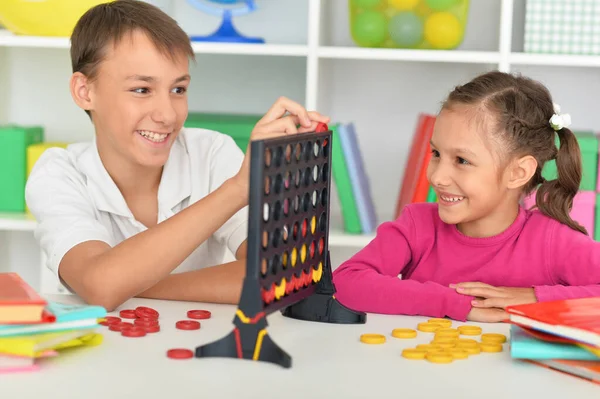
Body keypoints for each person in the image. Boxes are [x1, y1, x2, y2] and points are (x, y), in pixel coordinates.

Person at [25, 0, 328, 312]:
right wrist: (238, 189)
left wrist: (130, 284)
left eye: (178, 90)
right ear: (84, 92)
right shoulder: (59, 173)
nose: (167, 115)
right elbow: (101, 285)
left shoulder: (211, 152)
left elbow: (273, 272)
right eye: (141, 90)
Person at [332, 70, 600, 322]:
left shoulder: (552, 240)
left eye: (462, 160)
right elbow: (346, 282)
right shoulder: (417, 225)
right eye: (436, 154)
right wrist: (453, 303)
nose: (437, 177)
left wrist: (535, 297)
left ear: (518, 172)